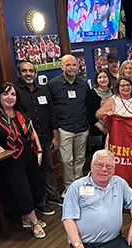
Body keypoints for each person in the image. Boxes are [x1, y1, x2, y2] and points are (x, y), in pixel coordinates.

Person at [0, 83, 47, 239]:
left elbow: (32, 133)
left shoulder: (20, 113)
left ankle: (26, 216)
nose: (9, 97)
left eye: (13, 94)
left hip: (29, 156)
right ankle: (34, 222)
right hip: (11, 161)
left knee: (33, 187)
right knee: (22, 190)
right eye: (5, 94)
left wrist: (39, 150)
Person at [15, 60, 61, 210]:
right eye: (24, 71)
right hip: (27, 141)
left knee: (48, 168)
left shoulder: (43, 91)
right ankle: (40, 202)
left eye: (31, 71)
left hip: (45, 137)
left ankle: (53, 195)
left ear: (35, 73)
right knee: (33, 173)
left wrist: (55, 136)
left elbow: (51, 114)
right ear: (19, 73)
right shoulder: (14, 92)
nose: (28, 74)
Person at [48, 54, 89, 196]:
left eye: (74, 65)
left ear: (78, 66)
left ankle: (79, 184)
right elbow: (50, 108)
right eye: (68, 65)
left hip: (82, 127)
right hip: (64, 128)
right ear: (62, 66)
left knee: (80, 158)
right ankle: (69, 187)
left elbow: (87, 105)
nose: (72, 68)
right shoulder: (53, 85)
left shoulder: (83, 84)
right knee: (66, 160)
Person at [95, 76, 132, 147]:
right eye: (122, 85)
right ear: (118, 87)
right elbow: (97, 114)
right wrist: (106, 113)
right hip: (116, 138)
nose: (126, 88)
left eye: (128, 85)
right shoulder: (113, 99)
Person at [86, 68, 113, 152]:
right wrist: (102, 128)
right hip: (98, 131)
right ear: (96, 80)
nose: (102, 80)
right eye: (100, 77)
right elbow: (90, 114)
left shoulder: (113, 92)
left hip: (112, 130)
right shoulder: (91, 93)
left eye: (105, 77)